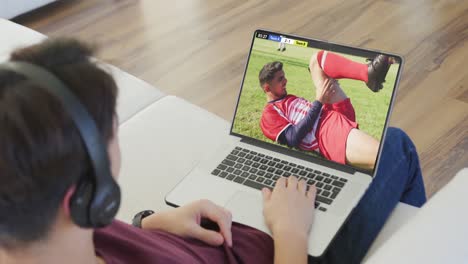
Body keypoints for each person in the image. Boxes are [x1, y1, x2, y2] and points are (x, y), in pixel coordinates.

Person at [0, 38, 425, 264]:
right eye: (111, 131)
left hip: (236, 227)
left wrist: (149, 224)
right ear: (86, 197)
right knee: (397, 147)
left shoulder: (51, 229)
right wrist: (291, 233)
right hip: (289, 246)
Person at [259, 51, 391, 170]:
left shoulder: (288, 98)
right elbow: (293, 138)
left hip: (331, 114)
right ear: (267, 88)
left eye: (284, 77)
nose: (286, 81)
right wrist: (319, 101)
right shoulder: (269, 112)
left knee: (316, 61)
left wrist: (323, 100)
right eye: (280, 79)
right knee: (386, 157)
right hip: (326, 133)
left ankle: (369, 73)